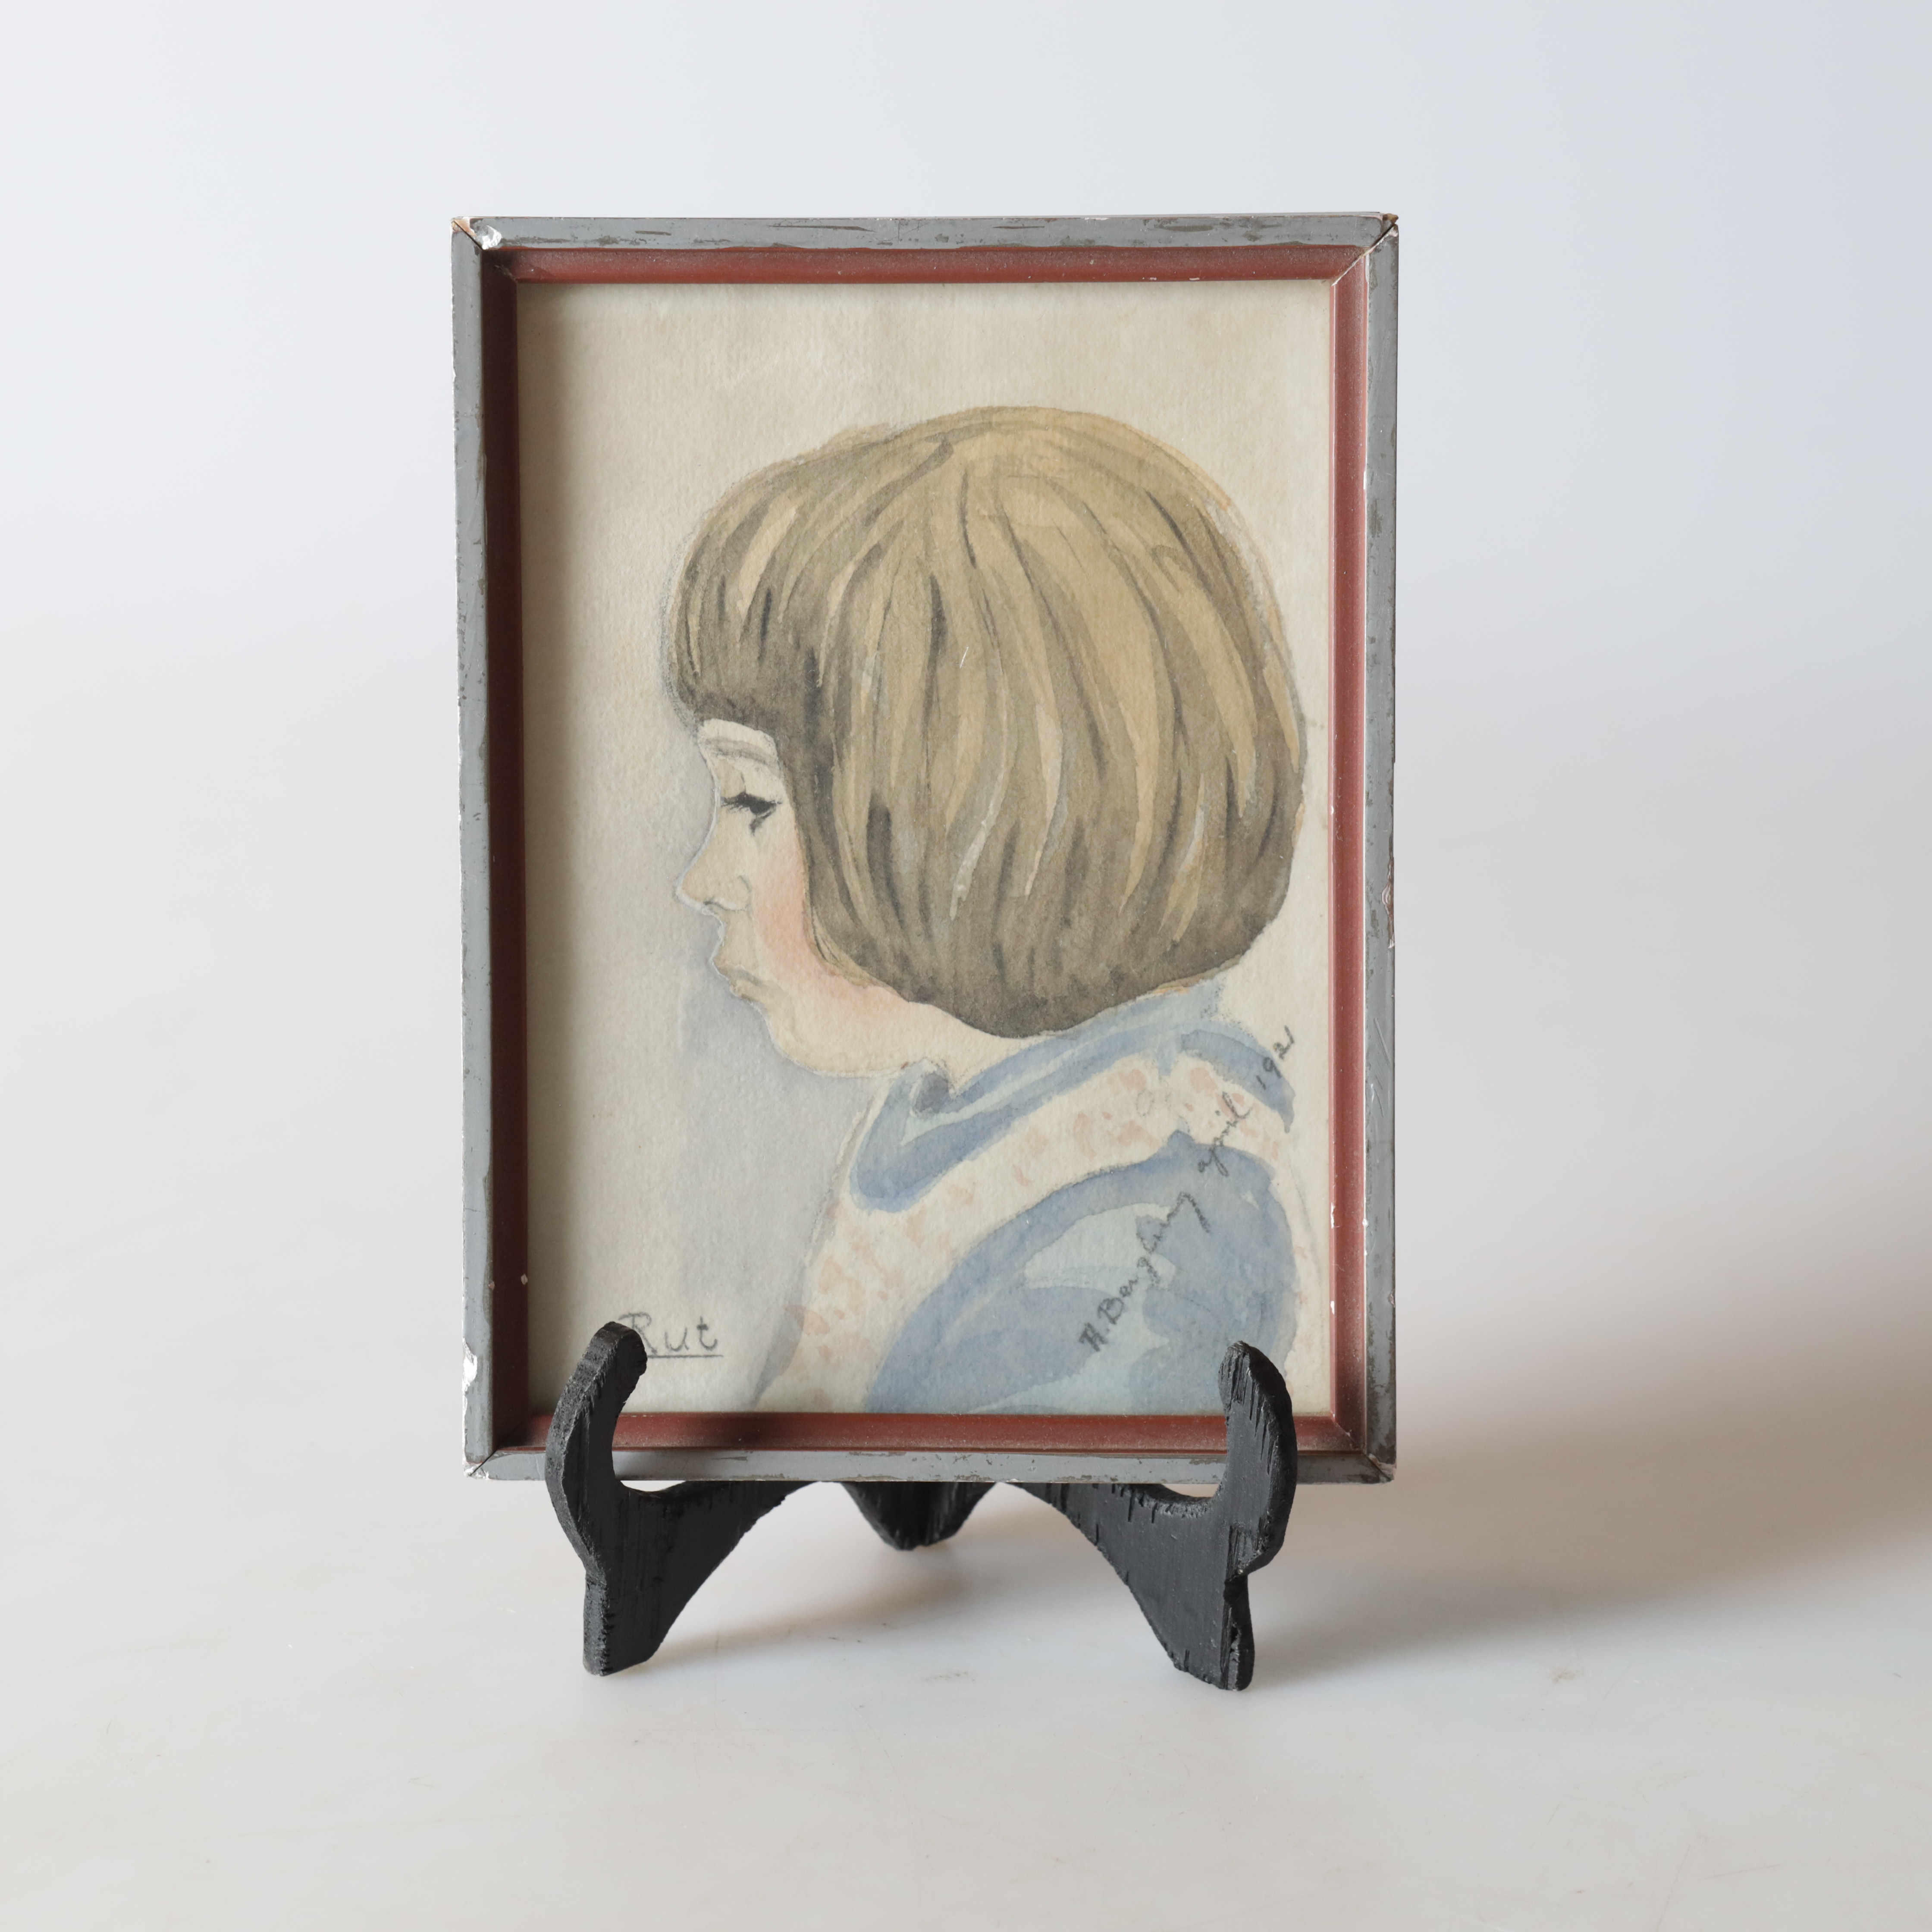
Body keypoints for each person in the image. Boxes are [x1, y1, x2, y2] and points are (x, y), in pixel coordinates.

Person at [668, 405, 1311, 1414]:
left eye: (752, 802)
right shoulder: (952, 1122)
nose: (703, 878)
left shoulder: (1136, 1232)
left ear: (950, 809)